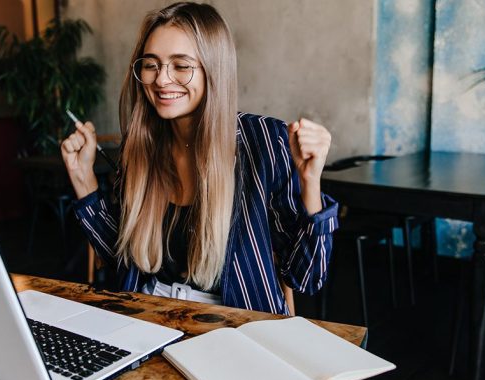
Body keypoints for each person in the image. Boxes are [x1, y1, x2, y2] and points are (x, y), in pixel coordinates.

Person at [61, 1, 338, 315]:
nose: (162, 79)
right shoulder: (141, 147)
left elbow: (307, 277)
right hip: (149, 316)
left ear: (213, 69)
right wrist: (83, 178)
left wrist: (310, 182)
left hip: (238, 325)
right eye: (151, 64)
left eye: (181, 65)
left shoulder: (263, 140)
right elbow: (123, 261)